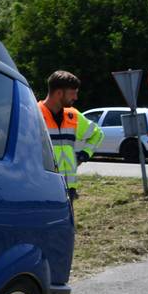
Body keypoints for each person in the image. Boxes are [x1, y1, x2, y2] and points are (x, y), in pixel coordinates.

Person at [39, 70, 104, 200]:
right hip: (44, 190)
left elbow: (98, 134)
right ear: (59, 93)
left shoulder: (73, 115)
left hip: (69, 190)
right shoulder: (35, 114)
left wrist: (83, 155)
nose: (76, 98)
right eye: (72, 93)